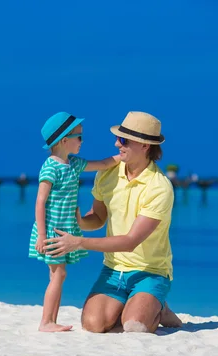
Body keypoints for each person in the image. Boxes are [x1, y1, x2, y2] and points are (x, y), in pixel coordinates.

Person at [43, 111, 183, 333]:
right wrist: (77, 220)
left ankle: (159, 308)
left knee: (135, 326)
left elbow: (130, 241)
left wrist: (78, 242)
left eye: (124, 140)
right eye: (118, 137)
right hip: (113, 269)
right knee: (93, 325)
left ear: (145, 146)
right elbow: (98, 218)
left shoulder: (160, 187)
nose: (117, 143)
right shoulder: (108, 173)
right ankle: (134, 304)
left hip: (150, 271)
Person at [29, 111, 120, 333]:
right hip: (52, 231)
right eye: (79, 136)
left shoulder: (75, 164)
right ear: (64, 140)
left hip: (65, 229)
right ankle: (46, 322)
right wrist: (42, 234)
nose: (82, 141)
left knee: (58, 274)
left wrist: (121, 158)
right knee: (58, 274)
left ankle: (50, 320)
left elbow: (102, 164)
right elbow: (40, 202)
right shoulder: (51, 167)